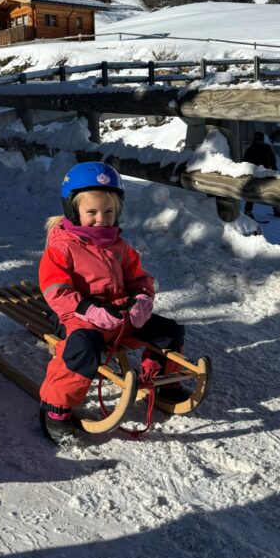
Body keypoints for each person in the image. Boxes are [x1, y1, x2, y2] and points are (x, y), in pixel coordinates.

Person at [38, 162, 189, 445]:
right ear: (73, 210)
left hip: (120, 316)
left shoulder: (119, 245)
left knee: (170, 331)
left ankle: (162, 381)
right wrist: (89, 309)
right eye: (92, 212)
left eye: (109, 212)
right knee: (83, 348)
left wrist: (142, 299)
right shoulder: (62, 247)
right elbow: (56, 290)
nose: (101, 219)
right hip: (77, 317)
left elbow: (139, 278)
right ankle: (55, 408)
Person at [242, 131, 280, 219]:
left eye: (261, 140)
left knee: (272, 190)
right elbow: (244, 162)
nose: (260, 141)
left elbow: (272, 159)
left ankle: (276, 209)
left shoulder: (267, 148)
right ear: (255, 140)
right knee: (252, 192)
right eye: (258, 140)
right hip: (255, 174)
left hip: (267, 172)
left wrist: (274, 169)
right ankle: (248, 211)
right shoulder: (250, 149)